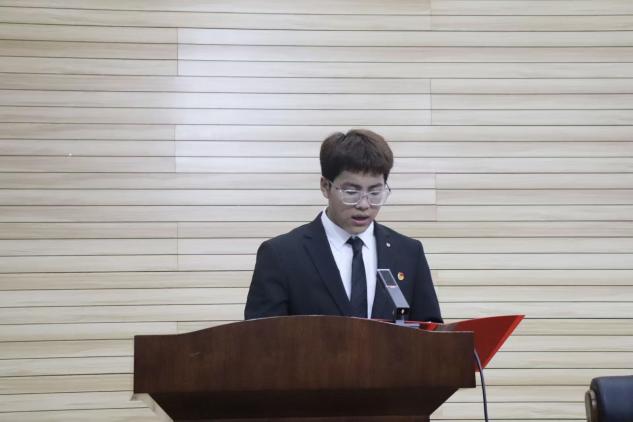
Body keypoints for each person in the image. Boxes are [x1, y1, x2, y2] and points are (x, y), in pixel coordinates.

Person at [244, 129, 442, 322]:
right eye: (351, 192)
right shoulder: (281, 255)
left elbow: (431, 333)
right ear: (325, 186)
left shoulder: (408, 253)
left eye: (375, 192)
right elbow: (260, 338)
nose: (364, 204)